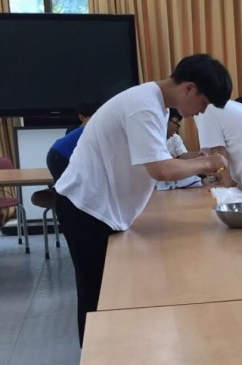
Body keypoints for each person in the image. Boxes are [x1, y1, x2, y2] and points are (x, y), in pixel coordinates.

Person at [55, 54, 231, 344]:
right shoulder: (144, 106)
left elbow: (157, 161)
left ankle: (106, 354)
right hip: (86, 208)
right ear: (189, 88)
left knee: (106, 293)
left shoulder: (155, 105)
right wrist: (208, 162)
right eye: (203, 104)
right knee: (96, 297)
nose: (200, 112)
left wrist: (195, 161)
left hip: (100, 208)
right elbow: (161, 170)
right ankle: (94, 364)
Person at [47, 101, 101, 181]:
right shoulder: (90, 130)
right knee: (67, 187)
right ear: (82, 117)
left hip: (59, 155)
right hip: (60, 157)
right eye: (94, 117)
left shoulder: (88, 130)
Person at [155, 108, 203, 190]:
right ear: (165, 120)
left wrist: (197, 156)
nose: (177, 128)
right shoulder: (153, 139)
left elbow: (182, 156)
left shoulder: (175, 138)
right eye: (176, 123)